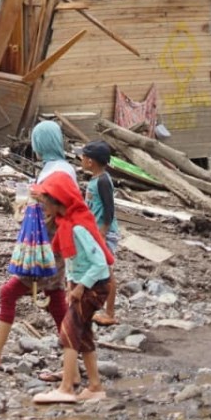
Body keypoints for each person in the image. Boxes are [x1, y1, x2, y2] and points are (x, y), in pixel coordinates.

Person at [0, 120, 76, 373]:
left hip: (44, 250)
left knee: (8, 293)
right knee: (56, 299)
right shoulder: (63, 168)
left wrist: (26, 210)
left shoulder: (55, 173)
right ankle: (75, 361)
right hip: (57, 246)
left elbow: (55, 210)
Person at [31, 172, 115, 405]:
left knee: (68, 331)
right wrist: (70, 284)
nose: (43, 205)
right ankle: (95, 386)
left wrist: (80, 288)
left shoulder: (77, 228)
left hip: (93, 286)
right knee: (84, 333)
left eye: (46, 200)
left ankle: (67, 387)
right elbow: (71, 261)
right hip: (82, 284)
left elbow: (100, 264)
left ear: (57, 202)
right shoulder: (66, 224)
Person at [80, 140, 120, 326]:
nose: (81, 160)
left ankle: (110, 313)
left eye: (83, 157)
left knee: (107, 271)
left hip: (105, 233)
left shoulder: (103, 181)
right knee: (96, 269)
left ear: (90, 161)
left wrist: (103, 232)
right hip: (95, 232)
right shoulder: (95, 179)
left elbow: (109, 209)